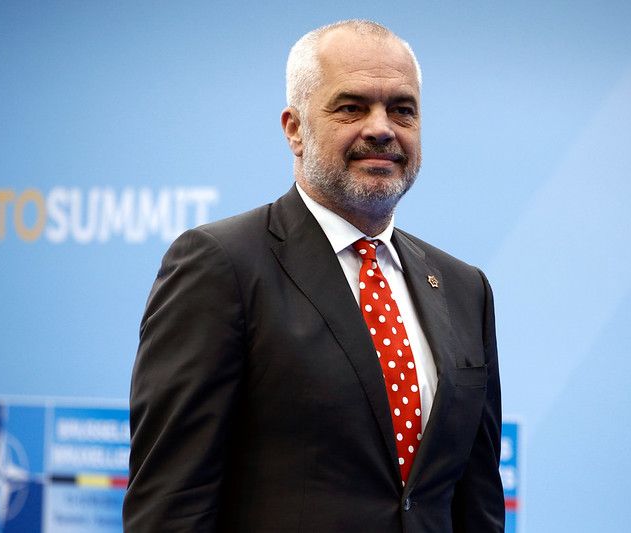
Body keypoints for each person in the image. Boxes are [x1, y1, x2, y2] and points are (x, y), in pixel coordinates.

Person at [123, 19, 503, 532]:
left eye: (402, 109)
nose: (381, 128)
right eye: (351, 107)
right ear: (295, 128)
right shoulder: (220, 266)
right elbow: (171, 505)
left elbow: (477, 505)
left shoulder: (465, 289)